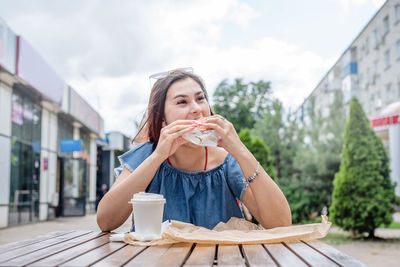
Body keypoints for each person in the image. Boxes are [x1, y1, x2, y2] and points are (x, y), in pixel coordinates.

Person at [97, 69, 291, 231]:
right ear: (162, 118)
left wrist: (240, 150)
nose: (197, 108)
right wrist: (158, 157)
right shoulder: (146, 155)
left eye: (200, 99)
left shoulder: (227, 161)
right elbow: (106, 222)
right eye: (182, 102)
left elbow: (280, 223)